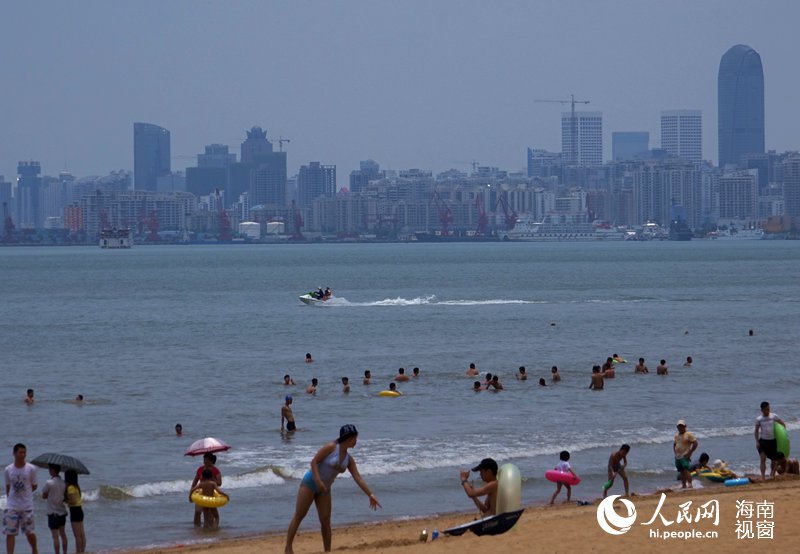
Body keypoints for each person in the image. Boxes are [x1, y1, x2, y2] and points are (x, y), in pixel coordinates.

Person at [284, 425, 380, 554]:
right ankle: (288, 548)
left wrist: (370, 494)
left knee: (325, 521)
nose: (356, 441)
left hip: (325, 489)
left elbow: (358, 478)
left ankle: (327, 551)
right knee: (300, 515)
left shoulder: (348, 459)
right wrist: (318, 481)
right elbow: (314, 462)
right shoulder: (331, 447)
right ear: (348, 438)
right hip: (310, 483)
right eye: (354, 438)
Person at [4, 443, 38, 554]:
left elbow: (34, 485)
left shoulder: (31, 468)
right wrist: (10, 499)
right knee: (10, 532)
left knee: (29, 532)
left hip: (26, 505)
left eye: (24, 453)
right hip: (12, 506)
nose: (23, 455)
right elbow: (8, 486)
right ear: (14, 453)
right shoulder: (8, 469)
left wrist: (26, 493)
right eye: (20, 453)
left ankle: (34, 550)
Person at [755, 401, 786, 480]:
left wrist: (783, 435)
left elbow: (782, 424)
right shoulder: (759, 419)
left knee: (774, 459)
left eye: (768, 409)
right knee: (763, 459)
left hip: (772, 441)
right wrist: (757, 442)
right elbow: (756, 431)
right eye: (766, 409)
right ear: (762, 410)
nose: (768, 411)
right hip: (763, 441)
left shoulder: (774, 416)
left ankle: (772, 474)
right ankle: (763, 477)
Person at [190, 453, 222, 527]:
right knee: (197, 511)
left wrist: (212, 478)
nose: (205, 462)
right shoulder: (200, 469)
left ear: (211, 461)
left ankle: (209, 530)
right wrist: (192, 492)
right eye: (204, 460)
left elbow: (219, 483)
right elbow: (195, 481)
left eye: (207, 460)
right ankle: (197, 528)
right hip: (201, 493)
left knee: (209, 515)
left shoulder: (216, 471)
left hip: (211, 493)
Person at [42, 464, 67, 554]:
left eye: (49, 469)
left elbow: (44, 496)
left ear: (52, 470)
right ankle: (65, 552)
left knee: (55, 536)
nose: (49, 470)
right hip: (62, 511)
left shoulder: (49, 482)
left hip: (52, 512)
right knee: (63, 534)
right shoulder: (64, 483)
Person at [64, 470, 85, 553]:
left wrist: (66, 501)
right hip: (79, 510)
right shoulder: (77, 487)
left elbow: (73, 501)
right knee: (82, 534)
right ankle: (82, 551)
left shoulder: (70, 488)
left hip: (74, 511)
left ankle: (78, 551)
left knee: (77, 535)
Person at [674, 420, 698, 489]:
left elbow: (695, 443)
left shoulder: (688, 434)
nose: (680, 427)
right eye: (679, 426)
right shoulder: (676, 435)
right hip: (678, 456)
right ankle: (684, 485)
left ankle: (690, 484)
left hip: (685, 455)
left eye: (682, 426)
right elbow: (675, 444)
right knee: (681, 471)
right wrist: (675, 453)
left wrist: (690, 452)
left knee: (686, 470)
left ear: (685, 426)